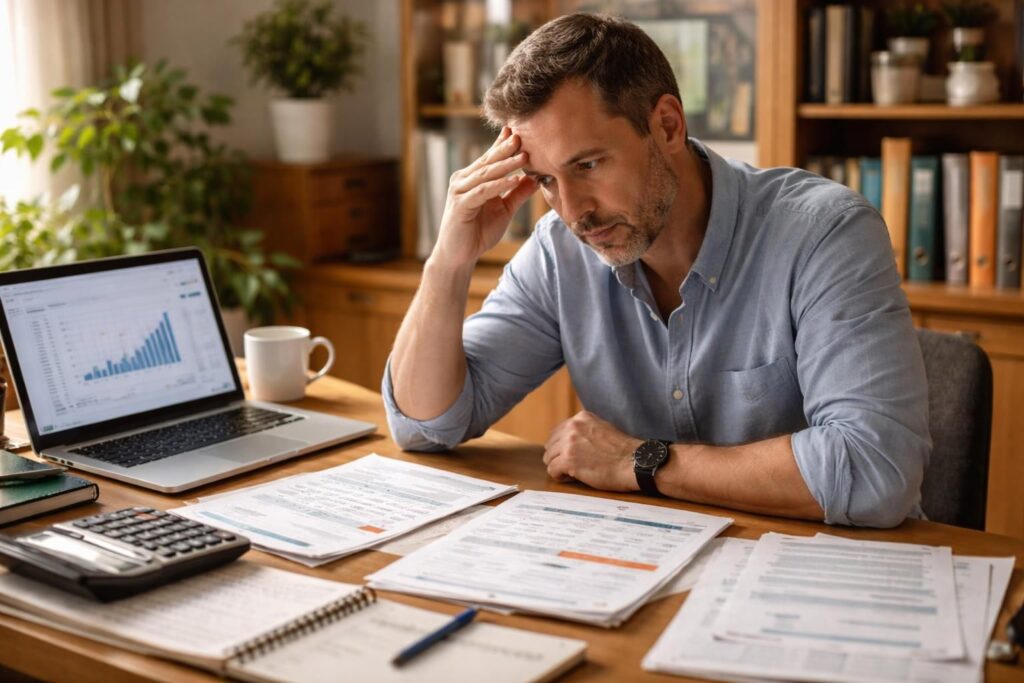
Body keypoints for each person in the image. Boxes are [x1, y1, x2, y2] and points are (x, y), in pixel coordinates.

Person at [383, 13, 930, 528]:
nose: (573, 212)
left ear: (667, 125)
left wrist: (639, 461)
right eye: (546, 181)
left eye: (588, 165)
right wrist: (448, 261)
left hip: (819, 567)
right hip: (651, 556)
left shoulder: (823, 234)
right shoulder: (559, 252)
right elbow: (425, 424)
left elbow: (874, 469)